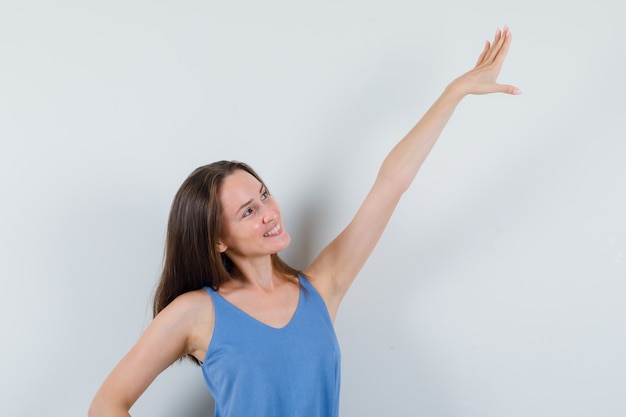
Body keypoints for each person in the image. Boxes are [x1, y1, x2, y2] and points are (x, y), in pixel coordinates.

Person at [89, 27, 519, 417]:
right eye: (248, 211)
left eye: (263, 195)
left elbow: (389, 185)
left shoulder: (321, 288)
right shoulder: (195, 312)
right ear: (217, 240)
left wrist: (454, 93)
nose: (269, 212)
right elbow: (107, 404)